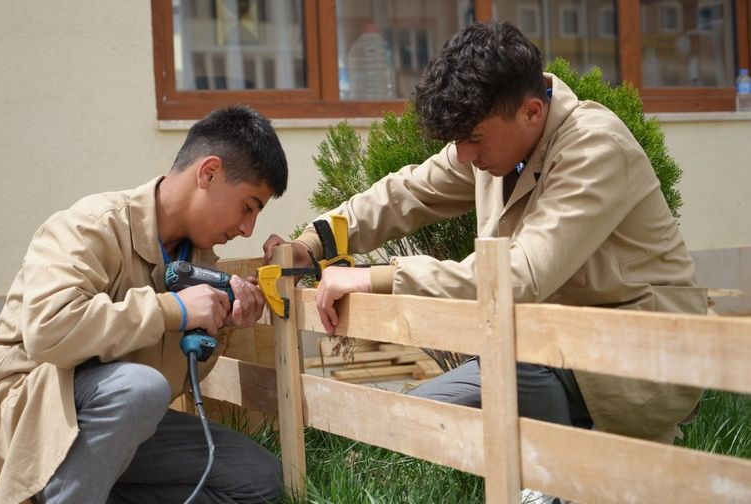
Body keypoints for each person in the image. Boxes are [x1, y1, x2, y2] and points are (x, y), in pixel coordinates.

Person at [264, 20, 704, 458]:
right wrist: (315, 241)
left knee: (510, 334)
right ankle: (564, 441)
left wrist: (374, 278)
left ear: (532, 111)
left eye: (472, 139)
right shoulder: (495, 145)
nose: (463, 156)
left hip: (635, 363)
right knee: (415, 419)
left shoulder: (596, 148)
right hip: (542, 350)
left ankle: (551, 477)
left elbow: (517, 277)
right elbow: (406, 193)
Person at [0, 105, 288, 504]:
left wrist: (222, 323)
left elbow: (171, 379)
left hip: (117, 421)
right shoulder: (90, 225)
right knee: (139, 389)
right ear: (209, 172)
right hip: (27, 410)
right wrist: (175, 310)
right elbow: (48, 331)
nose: (247, 228)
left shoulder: (199, 262)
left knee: (259, 480)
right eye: (248, 207)